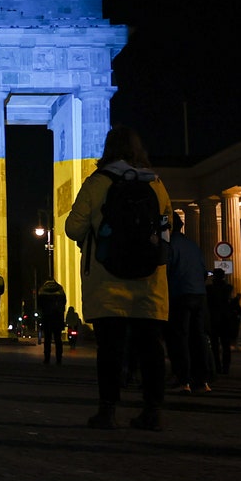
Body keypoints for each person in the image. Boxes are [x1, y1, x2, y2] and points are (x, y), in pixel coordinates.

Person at [65, 126, 172, 431]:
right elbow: (168, 227)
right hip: (149, 283)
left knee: (110, 349)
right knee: (151, 349)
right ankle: (152, 411)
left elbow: (73, 229)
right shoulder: (156, 184)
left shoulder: (98, 182)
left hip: (107, 281)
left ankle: (107, 411)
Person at [164, 211, 212, 393]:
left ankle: (182, 379)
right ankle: (202, 380)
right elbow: (202, 271)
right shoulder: (192, 245)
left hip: (179, 295)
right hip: (199, 295)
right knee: (198, 337)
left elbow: (165, 272)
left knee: (179, 337)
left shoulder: (169, 245)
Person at [205, 270, 241, 376]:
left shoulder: (209, 289)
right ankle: (226, 368)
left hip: (214, 320)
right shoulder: (228, 288)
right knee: (226, 346)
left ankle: (217, 367)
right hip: (225, 320)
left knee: (215, 346)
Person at [36, 279, 67, 365]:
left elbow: (39, 304)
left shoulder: (42, 290)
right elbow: (64, 302)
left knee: (47, 339)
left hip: (47, 317)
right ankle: (59, 358)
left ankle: (47, 358)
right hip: (58, 317)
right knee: (58, 339)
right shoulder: (60, 289)